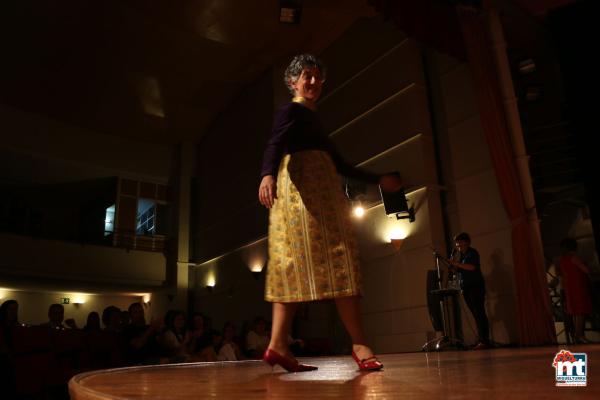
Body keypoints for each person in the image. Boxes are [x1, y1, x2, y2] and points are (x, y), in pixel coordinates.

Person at [258, 54, 402, 372]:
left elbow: (341, 164)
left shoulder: (313, 120)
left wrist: (377, 179)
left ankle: (278, 344)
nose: (312, 81)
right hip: (301, 197)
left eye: (317, 76)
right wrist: (267, 174)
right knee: (326, 261)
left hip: (323, 197)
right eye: (306, 76)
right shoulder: (291, 110)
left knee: (307, 263)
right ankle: (359, 343)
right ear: (292, 82)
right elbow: (274, 143)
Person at [448, 232, 490, 350]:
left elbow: (471, 267)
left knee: (479, 313)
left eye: (459, 242)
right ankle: (480, 340)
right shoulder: (462, 256)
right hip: (466, 288)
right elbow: (462, 270)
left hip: (475, 287)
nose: (457, 245)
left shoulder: (472, 253)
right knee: (475, 314)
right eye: (456, 243)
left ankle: (484, 340)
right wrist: (454, 268)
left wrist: (456, 264)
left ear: (466, 242)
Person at [557, 237, 593, 343]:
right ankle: (580, 335)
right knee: (580, 312)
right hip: (578, 287)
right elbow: (586, 270)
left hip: (569, 287)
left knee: (576, 312)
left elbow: (560, 274)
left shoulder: (562, 260)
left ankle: (577, 335)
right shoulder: (574, 258)